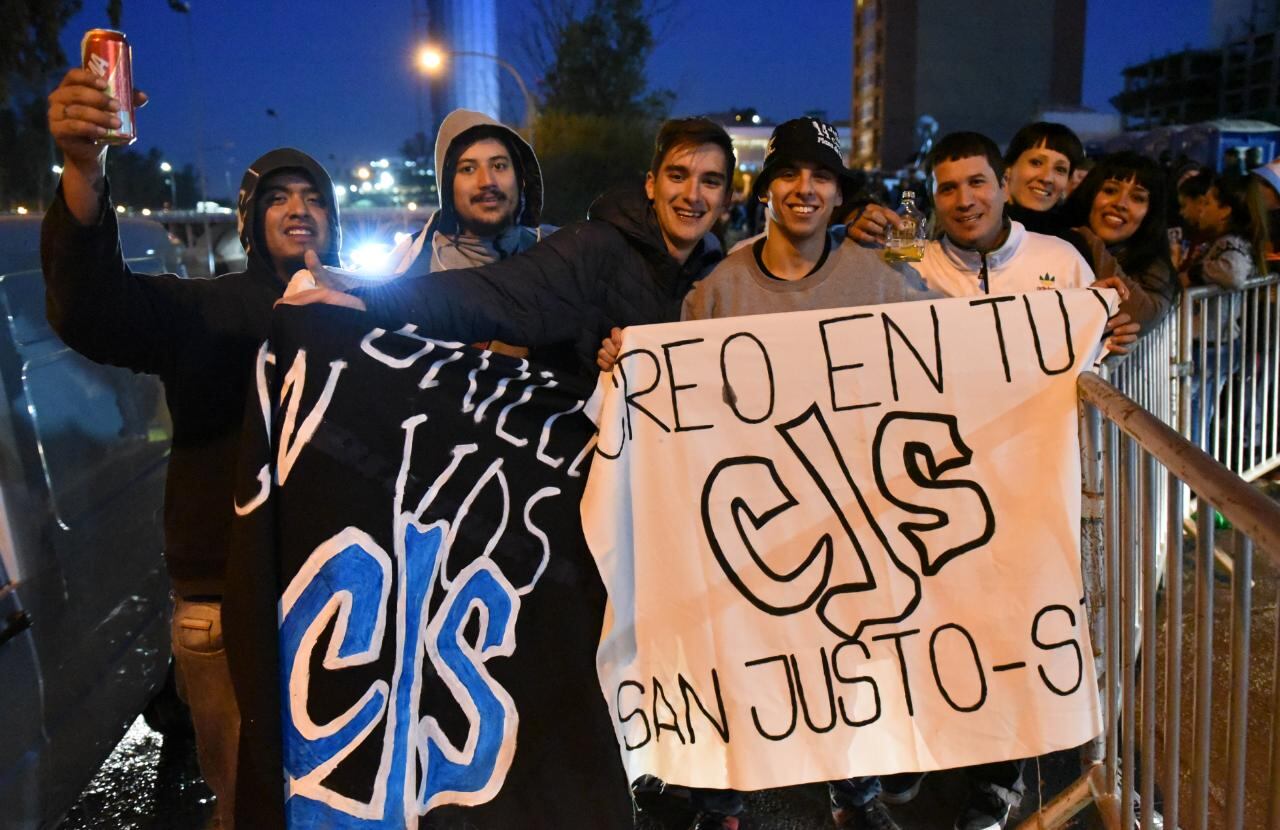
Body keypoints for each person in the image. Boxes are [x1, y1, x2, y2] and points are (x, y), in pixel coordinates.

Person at [603, 117, 936, 830]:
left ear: (840, 194)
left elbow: (959, 347)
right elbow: (680, 400)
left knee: (852, 656)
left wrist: (1076, 324)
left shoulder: (880, 278)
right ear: (766, 189)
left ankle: (856, 791)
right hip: (751, 515)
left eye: (821, 176)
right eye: (789, 173)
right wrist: (626, 365)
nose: (804, 189)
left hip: (851, 513)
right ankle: (723, 799)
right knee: (741, 655)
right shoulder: (721, 288)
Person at [42, 68, 344, 830]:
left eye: (313, 198)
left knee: (343, 798)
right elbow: (94, 309)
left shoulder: (364, 315)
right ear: (248, 223)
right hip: (221, 603)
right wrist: (85, 169)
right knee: (244, 804)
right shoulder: (200, 313)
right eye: (279, 197)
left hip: (344, 603)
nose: (299, 210)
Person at [285, 117, 735, 377]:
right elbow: (496, 295)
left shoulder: (721, 272)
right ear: (652, 185)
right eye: (678, 176)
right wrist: (365, 300)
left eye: (710, 181)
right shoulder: (590, 248)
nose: (693, 196)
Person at [377, 108, 564, 364]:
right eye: (467, 169)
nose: (487, 181)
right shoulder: (409, 266)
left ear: (521, 178)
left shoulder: (560, 251)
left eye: (499, 165)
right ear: (447, 184)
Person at [1065, 152, 1179, 333]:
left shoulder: (1154, 268)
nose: (1121, 204)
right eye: (1110, 190)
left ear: (1150, 213)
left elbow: (1140, 317)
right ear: (1090, 194)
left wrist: (1088, 240)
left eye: (1138, 198)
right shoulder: (1056, 243)